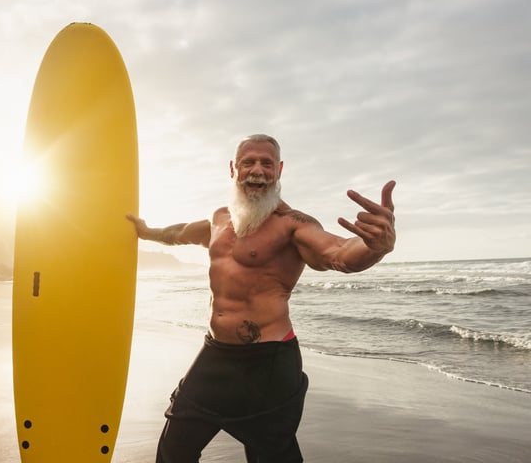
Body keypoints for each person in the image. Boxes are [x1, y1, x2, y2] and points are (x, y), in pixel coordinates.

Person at [127, 134, 396, 463]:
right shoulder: (219, 219)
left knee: (271, 456)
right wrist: (147, 231)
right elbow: (180, 232)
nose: (257, 170)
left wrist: (374, 247)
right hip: (215, 355)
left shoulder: (293, 225)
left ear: (279, 170)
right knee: (174, 450)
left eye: (266, 163)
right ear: (233, 169)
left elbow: (339, 253)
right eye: (248, 162)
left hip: (269, 365)